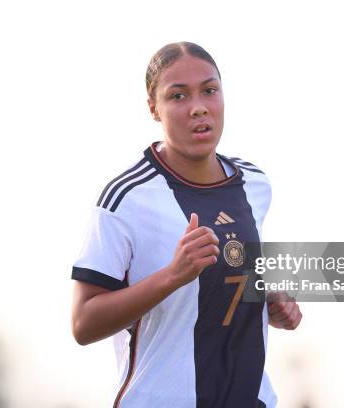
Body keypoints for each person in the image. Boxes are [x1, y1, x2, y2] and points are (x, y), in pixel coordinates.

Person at [71, 42, 302, 408]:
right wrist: (173, 275)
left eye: (210, 90)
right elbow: (84, 324)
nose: (199, 107)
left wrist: (270, 301)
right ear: (153, 108)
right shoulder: (125, 199)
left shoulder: (256, 184)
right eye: (178, 96)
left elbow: (230, 279)